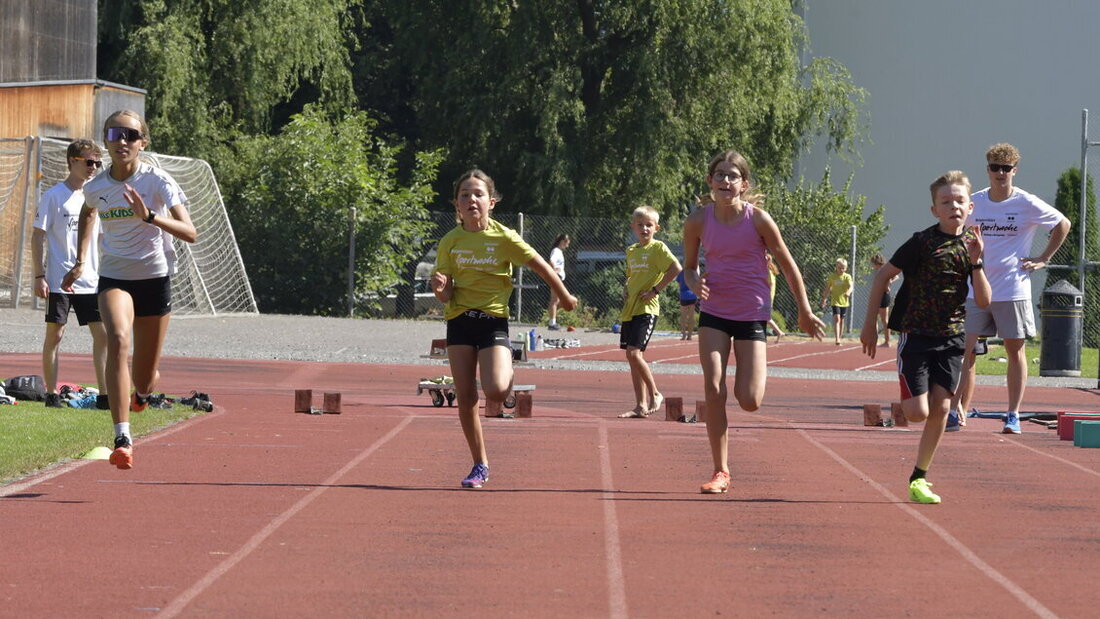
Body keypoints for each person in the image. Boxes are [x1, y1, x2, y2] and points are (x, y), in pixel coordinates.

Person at [61, 110, 197, 471]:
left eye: (130, 135)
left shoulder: (157, 181)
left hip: (154, 280)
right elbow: (89, 212)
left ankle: (142, 394)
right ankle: (122, 437)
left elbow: (190, 232)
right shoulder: (95, 186)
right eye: (114, 133)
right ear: (105, 140)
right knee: (118, 340)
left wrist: (149, 216)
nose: (122, 141)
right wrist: (80, 259)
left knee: (145, 376)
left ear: (142, 142)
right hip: (115, 278)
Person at [682, 150, 825, 494]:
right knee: (713, 388)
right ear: (710, 181)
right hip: (715, 311)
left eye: (732, 176)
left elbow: (789, 266)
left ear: (744, 184)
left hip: (752, 314)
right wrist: (692, 281)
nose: (725, 181)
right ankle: (721, 471)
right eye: (719, 175)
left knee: (749, 400)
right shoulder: (698, 221)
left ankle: (748, 377)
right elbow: (688, 266)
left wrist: (804, 311)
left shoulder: (758, 220)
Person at [431, 169, 577, 488]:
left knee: (496, 391)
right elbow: (445, 294)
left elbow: (540, 264)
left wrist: (564, 297)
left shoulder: (504, 237)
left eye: (478, 194)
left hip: (493, 321)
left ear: (491, 202)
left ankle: (507, 367)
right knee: (466, 395)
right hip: (459, 322)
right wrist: (440, 286)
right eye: (465, 195)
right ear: (456, 205)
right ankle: (479, 464)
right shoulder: (450, 242)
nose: (471, 199)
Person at [861, 170, 990, 504]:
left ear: (970, 206)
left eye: (959, 201)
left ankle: (919, 478)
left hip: (951, 338)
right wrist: (869, 325)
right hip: (916, 335)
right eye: (946, 202)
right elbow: (883, 278)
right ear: (935, 210)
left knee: (943, 408)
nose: (954, 207)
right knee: (916, 412)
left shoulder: (972, 246)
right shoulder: (921, 242)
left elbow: (985, 300)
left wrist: (976, 263)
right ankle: (908, 390)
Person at [949, 144, 1070, 434]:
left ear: (1014, 171)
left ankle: (1013, 414)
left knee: (1015, 349)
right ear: (987, 169)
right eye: (995, 167)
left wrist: (1043, 258)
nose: (1000, 173)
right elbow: (952, 231)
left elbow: (1062, 223)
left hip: (1013, 288)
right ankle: (955, 410)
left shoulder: (1026, 202)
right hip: (975, 288)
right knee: (963, 350)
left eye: (1006, 168)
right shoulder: (974, 202)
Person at [31, 139, 109, 410]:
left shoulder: (97, 195)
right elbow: (38, 236)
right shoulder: (53, 196)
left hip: (92, 280)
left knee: (103, 336)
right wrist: (39, 276)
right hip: (59, 280)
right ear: (72, 161)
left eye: (97, 163)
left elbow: (102, 239)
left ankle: (104, 395)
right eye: (89, 162)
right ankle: (51, 395)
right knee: (56, 335)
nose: (93, 168)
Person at [616, 206, 681, 418]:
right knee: (632, 356)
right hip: (630, 309)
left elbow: (675, 268)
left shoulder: (658, 248)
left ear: (656, 228)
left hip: (647, 309)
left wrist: (655, 290)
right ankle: (640, 406)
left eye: (649, 225)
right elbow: (631, 275)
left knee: (634, 353)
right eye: (640, 225)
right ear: (633, 227)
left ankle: (655, 393)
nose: (644, 228)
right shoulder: (631, 251)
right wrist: (626, 287)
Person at [820, 258, 853, 345]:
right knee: (837, 318)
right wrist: (824, 299)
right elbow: (828, 288)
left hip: (844, 302)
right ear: (836, 267)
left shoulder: (847, 277)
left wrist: (848, 292)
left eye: (843, 268)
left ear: (846, 268)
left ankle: (840, 337)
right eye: (840, 268)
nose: (841, 270)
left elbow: (851, 286)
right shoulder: (832, 277)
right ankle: (837, 339)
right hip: (835, 302)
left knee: (841, 320)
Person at [869, 253, 899, 347]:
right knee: (877, 318)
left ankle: (887, 341)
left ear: (875, 263)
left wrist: (887, 286)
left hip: (883, 296)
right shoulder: (883, 269)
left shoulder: (883, 270)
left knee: (884, 320)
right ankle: (877, 339)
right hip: (880, 295)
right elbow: (895, 277)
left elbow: (894, 277)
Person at [547, 233, 571, 330]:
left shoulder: (559, 251)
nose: (567, 245)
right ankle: (552, 323)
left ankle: (553, 321)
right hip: (557, 277)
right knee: (555, 300)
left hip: (558, 277)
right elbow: (551, 261)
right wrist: (554, 272)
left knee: (557, 300)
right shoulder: (556, 251)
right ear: (562, 241)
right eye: (567, 243)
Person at [765, 252, 785, 343]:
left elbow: (771, 283)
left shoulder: (768, 271)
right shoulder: (767, 270)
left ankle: (779, 332)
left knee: (766, 317)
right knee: (764, 317)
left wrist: (768, 297)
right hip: (765, 297)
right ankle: (778, 332)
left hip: (767, 298)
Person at [676, 270, 697, 340]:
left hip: (683, 295)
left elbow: (679, 284)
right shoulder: (693, 272)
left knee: (683, 317)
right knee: (691, 316)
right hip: (692, 295)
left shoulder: (681, 273)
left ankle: (684, 335)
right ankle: (690, 335)